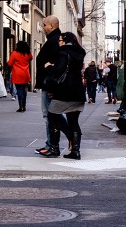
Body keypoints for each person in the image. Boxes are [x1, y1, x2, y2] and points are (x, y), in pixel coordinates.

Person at [38, 31, 86, 159]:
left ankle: (54, 149)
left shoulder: (63, 52)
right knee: (73, 122)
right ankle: (75, 151)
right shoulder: (79, 53)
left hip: (63, 92)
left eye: (60, 41)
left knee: (53, 117)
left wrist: (49, 67)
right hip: (78, 92)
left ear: (64, 41)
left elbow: (58, 72)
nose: (58, 43)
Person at [34, 15, 61, 155]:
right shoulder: (54, 40)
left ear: (51, 26)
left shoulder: (53, 41)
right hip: (49, 84)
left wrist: (51, 86)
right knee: (52, 115)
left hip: (49, 84)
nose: (43, 27)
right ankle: (52, 143)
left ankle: (52, 145)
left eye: (45, 25)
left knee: (49, 115)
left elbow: (54, 65)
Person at [6, 41, 33, 112]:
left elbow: (10, 63)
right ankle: (24, 105)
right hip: (26, 74)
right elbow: (31, 58)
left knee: (19, 90)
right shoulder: (28, 54)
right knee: (24, 90)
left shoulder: (14, 53)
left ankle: (21, 106)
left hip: (17, 74)